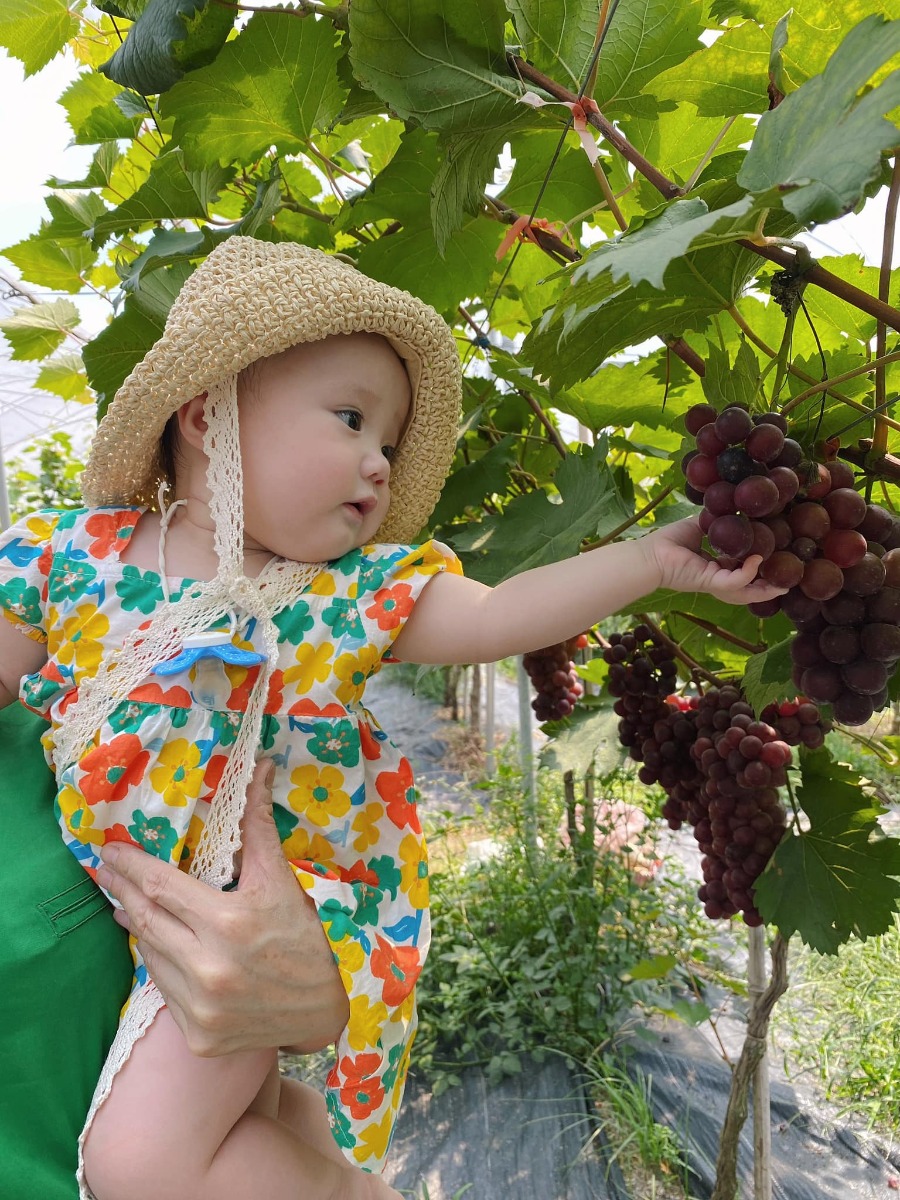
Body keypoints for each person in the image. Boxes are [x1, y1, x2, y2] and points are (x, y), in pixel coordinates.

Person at [0, 237, 784, 1200]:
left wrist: (652, 564)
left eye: (389, 441)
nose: (378, 462)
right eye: (351, 419)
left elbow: (497, 616)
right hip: (154, 921)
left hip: (256, 920)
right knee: (245, 1127)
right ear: (208, 415)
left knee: (139, 1166)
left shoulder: (341, 595)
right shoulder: (72, 557)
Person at [0, 715, 349, 1200]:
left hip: (221, 1149)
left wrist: (326, 992)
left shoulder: (70, 693)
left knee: (137, 1163)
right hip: (224, 1148)